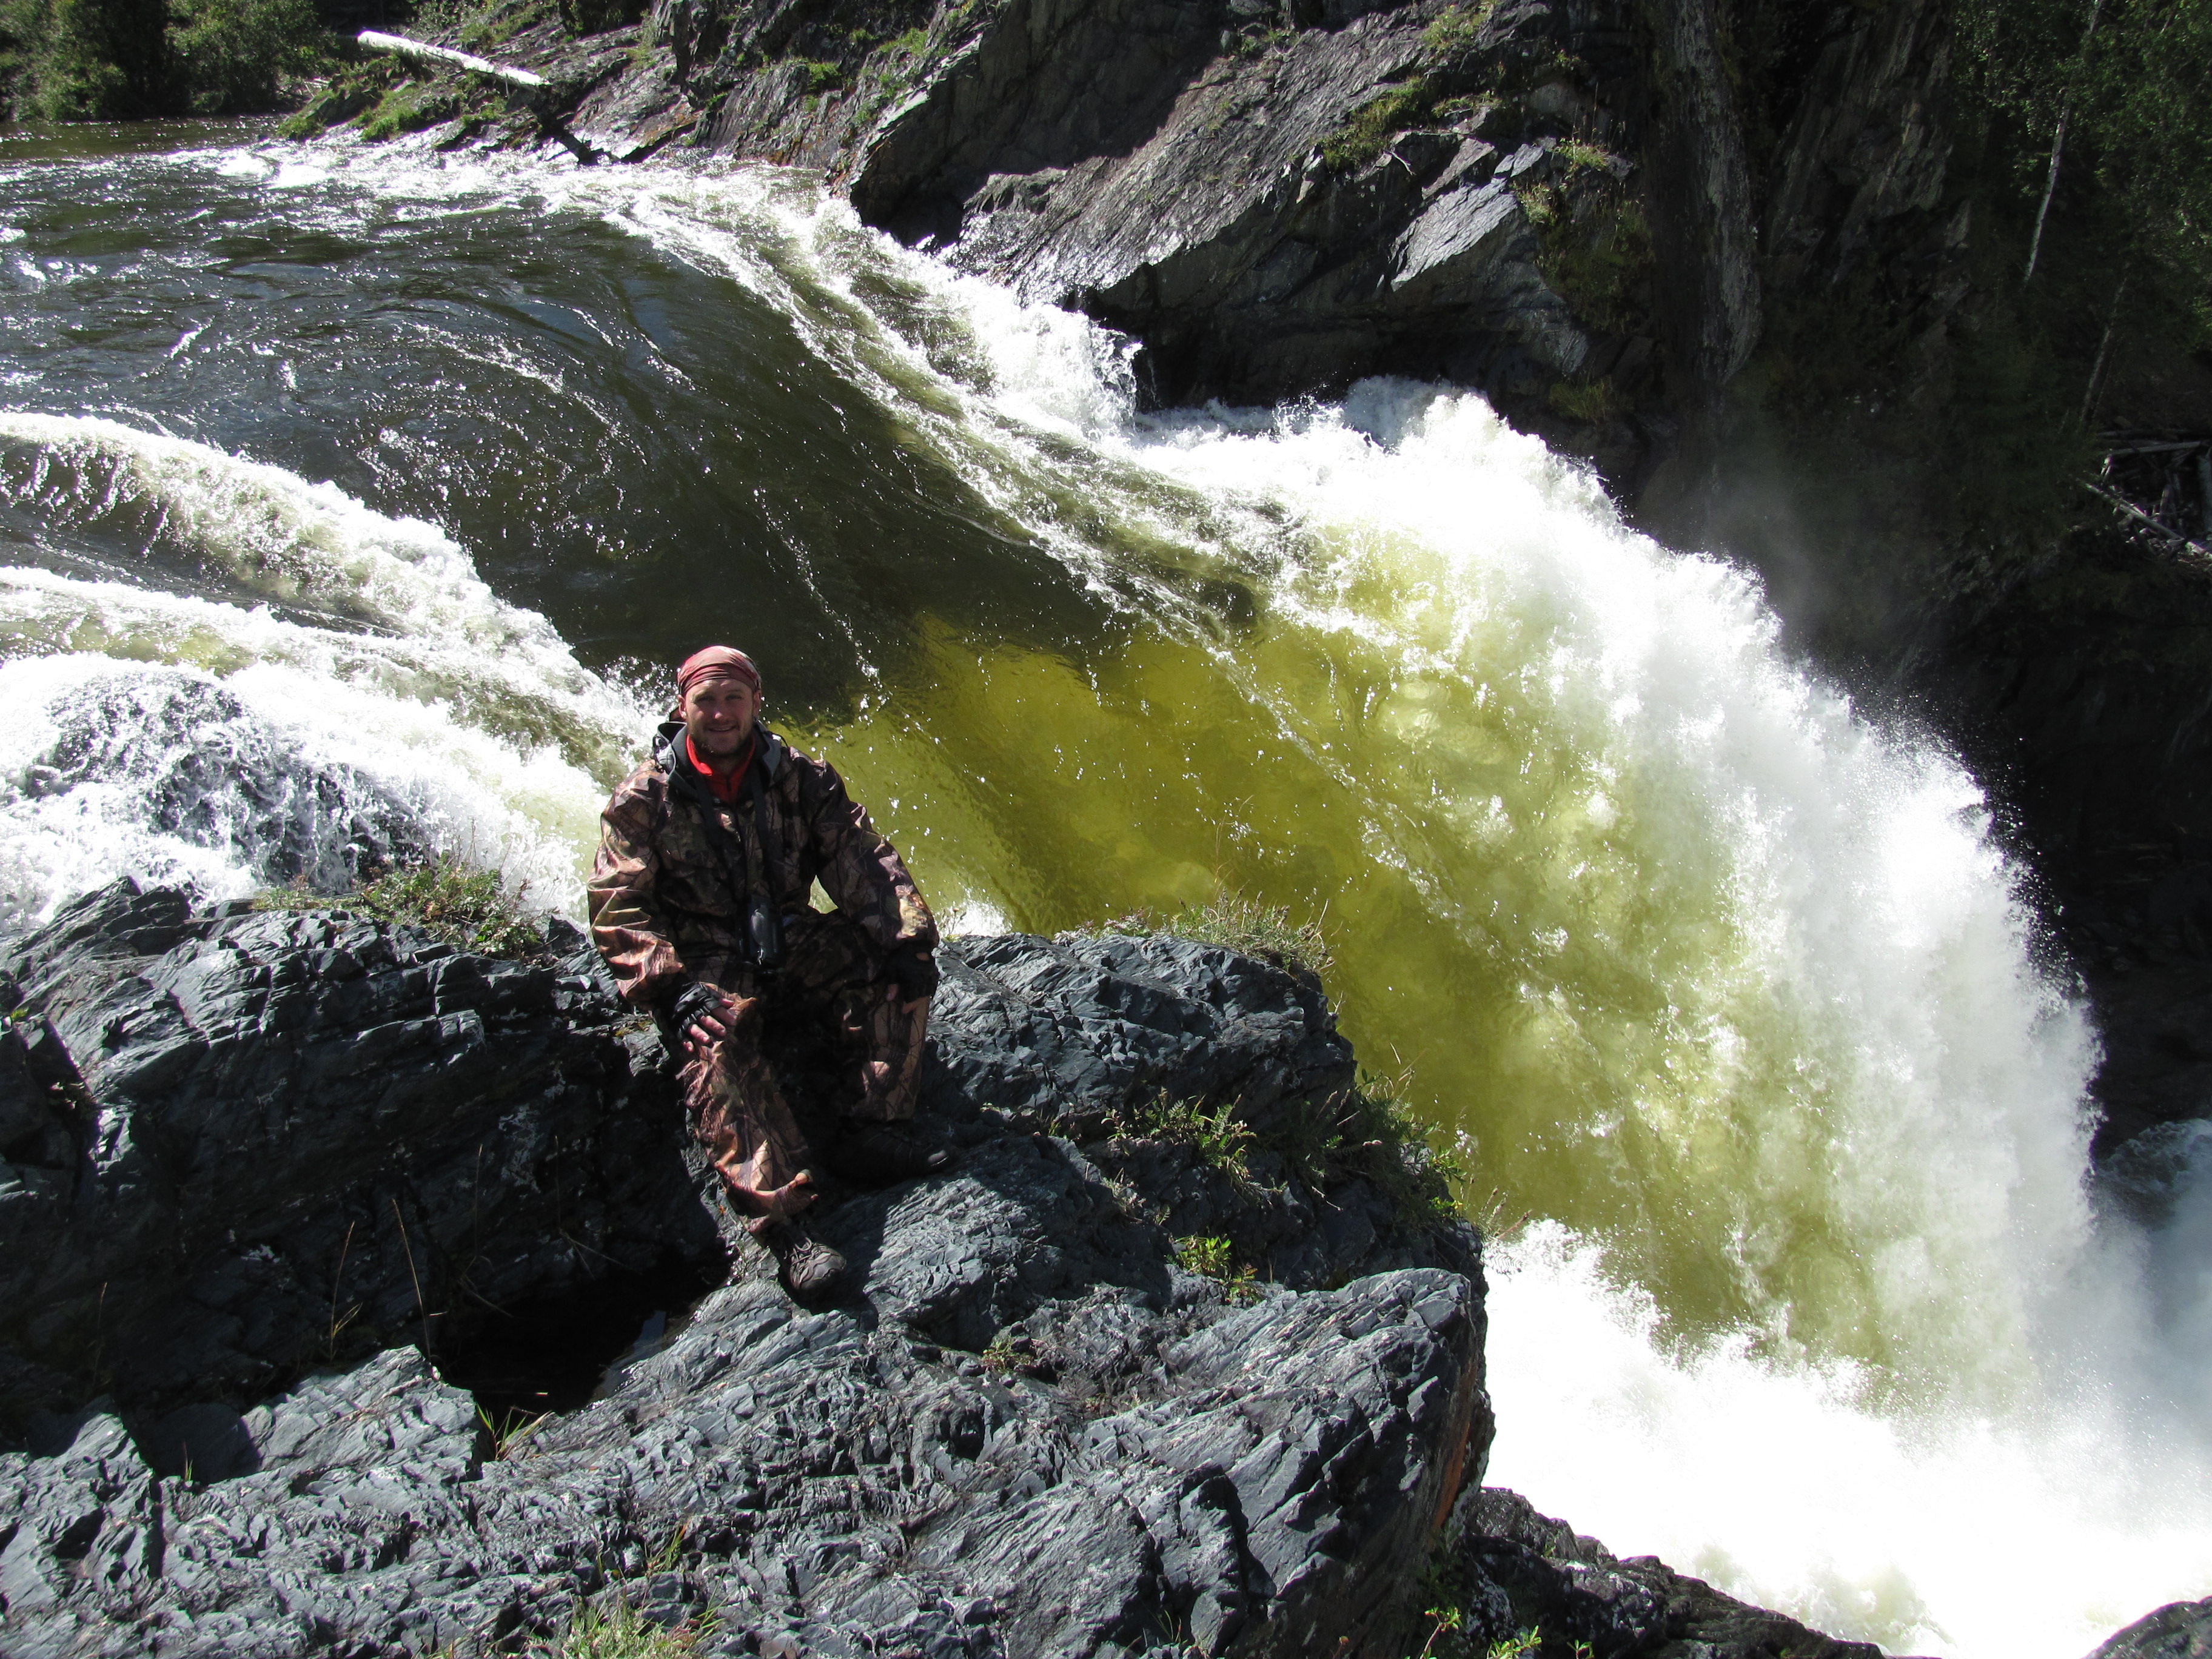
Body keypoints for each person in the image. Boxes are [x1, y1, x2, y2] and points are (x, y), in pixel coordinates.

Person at [588, 645, 945, 1299]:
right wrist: (668, 989)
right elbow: (618, 902)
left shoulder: (803, 778)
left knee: (896, 967)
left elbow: (861, 855)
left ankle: (869, 1126)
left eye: (733, 699)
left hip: (790, 933)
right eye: (706, 700)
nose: (721, 714)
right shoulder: (645, 797)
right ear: (682, 707)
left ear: (756, 703)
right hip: (708, 963)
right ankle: (789, 1231)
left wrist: (906, 938)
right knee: (713, 1050)